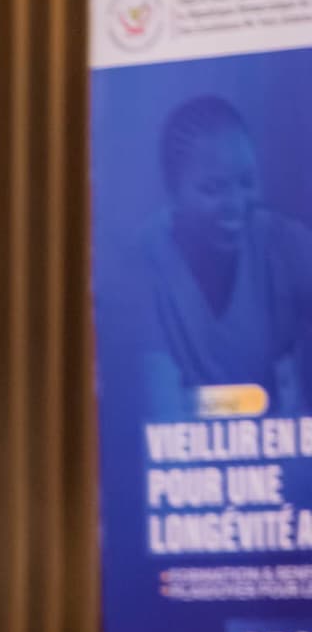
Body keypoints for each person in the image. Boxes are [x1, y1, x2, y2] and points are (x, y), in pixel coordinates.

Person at [127, 94, 312, 420]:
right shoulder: (145, 262)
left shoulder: (286, 244)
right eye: (212, 189)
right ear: (173, 193)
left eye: (246, 182)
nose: (236, 204)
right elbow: (159, 409)